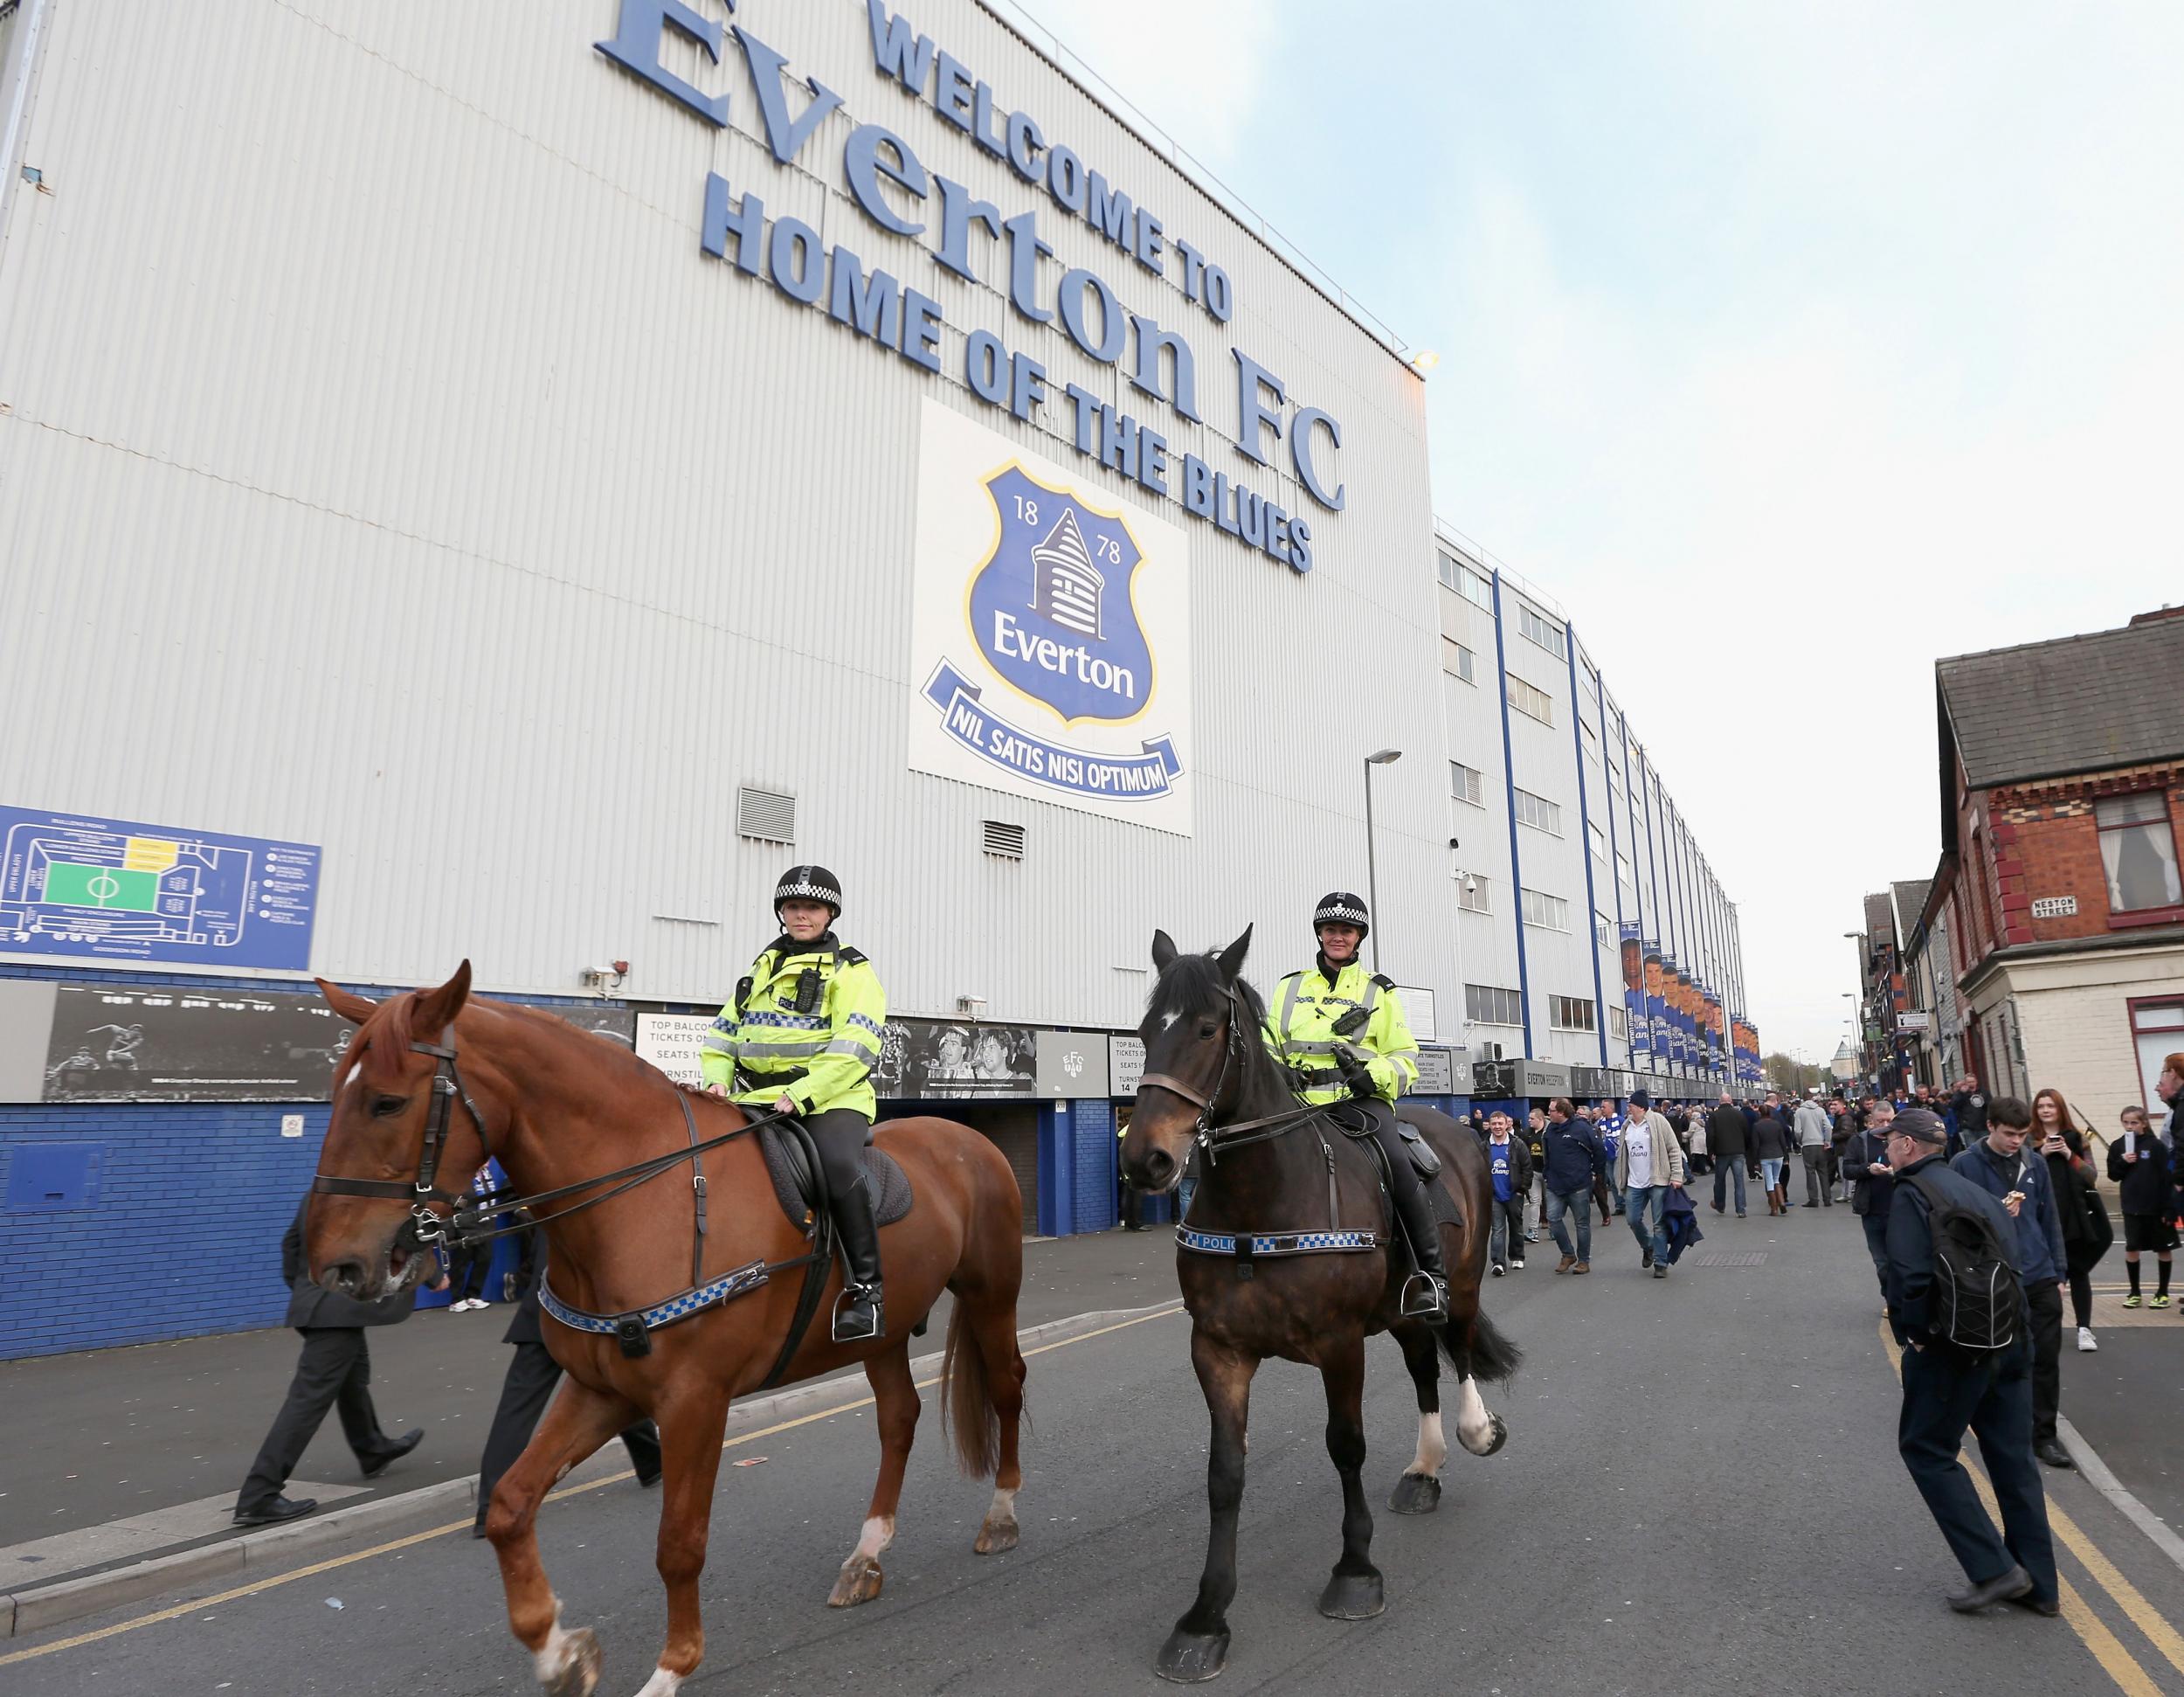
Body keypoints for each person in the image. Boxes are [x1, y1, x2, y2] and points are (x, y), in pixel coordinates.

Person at [702, 864, 890, 1341]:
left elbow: (857, 1045)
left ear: (829, 913)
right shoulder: (761, 967)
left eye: (811, 907)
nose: (800, 915)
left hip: (833, 1098)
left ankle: (866, 1291)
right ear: (781, 913)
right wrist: (717, 1081)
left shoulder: (852, 969)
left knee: (836, 1166)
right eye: (792, 907)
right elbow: (723, 1033)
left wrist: (802, 1094)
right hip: (755, 1097)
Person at [1883, 1108, 2059, 1617]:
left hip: (1956, 1347)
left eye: (1891, 1139)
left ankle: (1996, 1569)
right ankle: (2041, 1587)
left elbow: (1910, 1278)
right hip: (2011, 1337)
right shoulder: (1975, 1192)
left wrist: (1916, 1337)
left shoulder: (1912, 1195)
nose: (1886, 1148)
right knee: (2013, 1460)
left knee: (1927, 1450)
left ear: (1909, 1147)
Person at [1262, 891, 1441, 1316]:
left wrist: (1370, 1077)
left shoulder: (1378, 991)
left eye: (1346, 931)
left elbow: (1405, 1056)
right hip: (1296, 1104)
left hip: (1357, 1104)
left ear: (1359, 937)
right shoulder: (1289, 988)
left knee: (1399, 1168)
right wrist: (1277, 1071)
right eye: (1330, 930)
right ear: (1319, 934)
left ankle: (1432, 1278)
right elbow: (1268, 1041)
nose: (1337, 937)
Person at [233, 1193, 426, 1526]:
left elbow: (291, 1245)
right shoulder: (367, 1196)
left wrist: (307, 1296)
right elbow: (388, 1245)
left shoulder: (317, 1193)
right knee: (308, 1400)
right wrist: (434, 1275)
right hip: (339, 1309)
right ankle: (259, 1494)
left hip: (314, 1306)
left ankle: (372, 1448)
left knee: (352, 1379)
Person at [473, 1224, 661, 1537]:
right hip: (588, 1313)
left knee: (521, 1406)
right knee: (611, 1385)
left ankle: (488, 1508)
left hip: (543, 1306)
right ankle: (651, 1461)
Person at [1952, 1098, 2072, 1470]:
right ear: (1990, 1127)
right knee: (1998, 1358)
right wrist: (1993, 1214)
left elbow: (2049, 1218)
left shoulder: (2034, 1162)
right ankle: (2002, 1430)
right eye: (2008, 1134)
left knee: (2046, 1359)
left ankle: (2045, 1436)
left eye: (2022, 1135)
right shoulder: (1965, 1165)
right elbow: (1954, 1222)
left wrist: (2059, 1272)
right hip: (1993, 1278)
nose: (2015, 1141)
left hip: (2037, 1274)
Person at [2034, 1090, 2108, 1354]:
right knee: (2043, 1277)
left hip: (2074, 1215)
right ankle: (2044, 1331)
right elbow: (2019, 1175)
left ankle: (2084, 1329)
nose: (2045, 1110)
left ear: (2060, 1108)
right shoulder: (2029, 1139)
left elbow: (2092, 1176)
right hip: (2040, 1215)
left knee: (2078, 1272)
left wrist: (2068, 1154)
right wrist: (2040, 1152)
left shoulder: (2077, 1139)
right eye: (2041, 1106)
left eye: (2050, 1106)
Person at [2110, 1100, 2175, 1311]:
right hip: (2132, 1206)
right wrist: (2123, 1162)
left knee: (2163, 1248)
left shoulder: (2155, 1146)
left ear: (2143, 1124)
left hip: (2156, 1207)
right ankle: (2135, 1292)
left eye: (2134, 1123)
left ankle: (2163, 1292)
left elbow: (2167, 1176)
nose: (2130, 1127)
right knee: (2132, 1247)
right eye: (2126, 1122)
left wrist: (2169, 1207)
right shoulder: (2118, 1145)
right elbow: (2113, 1175)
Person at [1615, 1089, 1686, 1278]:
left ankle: (1661, 1263)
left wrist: (1677, 1175)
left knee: (1659, 1224)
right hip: (1634, 1183)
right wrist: (1620, 1178)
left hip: (1657, 1181)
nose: (1628, 1108)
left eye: (1630, 1105)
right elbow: (1623, 1154)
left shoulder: (1658, 1121)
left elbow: (1673, 1148)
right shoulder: (1627, 1126)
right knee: (1632, 1219)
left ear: (1640, 1106)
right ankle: (1648, 1246)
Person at [1540, 1098, 1609, 1274]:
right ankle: (1568, 1254)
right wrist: (1547, 1173)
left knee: (1582, 1224)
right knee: (1553, 1219)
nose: (1548, 1113)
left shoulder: (1581, 1128)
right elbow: (1547, 1153)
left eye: (1551, 1110)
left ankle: (1583, 1261)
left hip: (1578, 1185)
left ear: (1561, 1112)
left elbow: (1599, 1150)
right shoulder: (1550, 1130)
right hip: (1555, 1184)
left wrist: (1596, 1172)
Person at [1843, 1098, 1898, 1306]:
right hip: (1872, 1209)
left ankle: (1902, 1301)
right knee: (1882, 1262)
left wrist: (1900, 1171)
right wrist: (1868, 1169)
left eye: (1889, 1121)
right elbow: (1847, 1170)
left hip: (1900, 1208)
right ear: (1871, 1121)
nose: (1885, 1126)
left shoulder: (1903, 1138)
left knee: (1902, 1259)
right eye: (1880, 1121)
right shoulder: (1859, 1141)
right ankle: (1890, 1300)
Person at [1479, 1111, 1531, 1275]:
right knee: (1498, 1229)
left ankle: (1517, 1257)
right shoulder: (1484, 1146)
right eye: (1494, 1124)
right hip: (1494, 1195)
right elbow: (1478, 1171)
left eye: (1500, 1123)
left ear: (1507, 1124)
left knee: (1516, 1227)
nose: (1497, 1127)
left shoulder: (1517, 1144)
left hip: (1514, 1194)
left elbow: (1527, 1168)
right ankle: (1498, 1263)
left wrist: (1521, 1190)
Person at [1707, 1091, 1749, 1216]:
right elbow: (1746, 1132)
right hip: (1738, 1152)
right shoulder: (1739, 1114)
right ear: (1731, 1101)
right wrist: (1745, 1148)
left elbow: (1710, 1135)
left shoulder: (1714, 1116)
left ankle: (1720, 1205)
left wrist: (1711, 1151)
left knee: (1719, 1180)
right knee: (1739, 1181)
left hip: (1722, 1152)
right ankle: (1741, 1209)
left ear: (1720, 1102)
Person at [1794, 1092, 1834, 1208]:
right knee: (1823, 1172)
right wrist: (1827, 1140)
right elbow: (1828, 1127)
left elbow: (1797, 1131)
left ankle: (1813, 1199)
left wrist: (1800, 1141)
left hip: (1807, 1144)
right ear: (1812, 1098)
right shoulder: (1820, 1110)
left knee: (1810, 1172)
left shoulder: (1799, 1112)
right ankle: (1827, 1199)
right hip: (1820, 1143)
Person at [1752, 1105, 1792, 1216]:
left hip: (1765, 1156)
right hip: (1778, 1154)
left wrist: (1755, 1161)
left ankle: (1774, 1209)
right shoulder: (1777, 1124)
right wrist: (1786, 1156)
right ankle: (1782, 1202)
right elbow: (1782, 1141)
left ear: (1760, 1113)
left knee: (1769, 1181)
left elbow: (1755, 1145)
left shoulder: (1757, 1126)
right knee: (1776, 1179)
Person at [1594, 1098, 1625, 1216]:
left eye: (1604, 1107)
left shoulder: (1621, 1120)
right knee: (1612, 1181)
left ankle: (1625, 1203)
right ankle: (1619, 1206)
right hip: (1606, 1156)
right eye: (1601, 1107)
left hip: (1618, 1155)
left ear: (1611, 1108)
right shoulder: (1600, 1123)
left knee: (1619, 1180)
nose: (1602, 1109)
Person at [1524, 1105, 1550, 1241]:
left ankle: (1553, 1229)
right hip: (1533, 1172)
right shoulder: (1528, 1133)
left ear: (1540, 1119)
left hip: (1547, 1172)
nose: (1529, 1121)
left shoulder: (1549, 1131)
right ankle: (1533, 1231)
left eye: (1532, 1118)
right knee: (1535, 1201)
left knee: (1550, 1202)